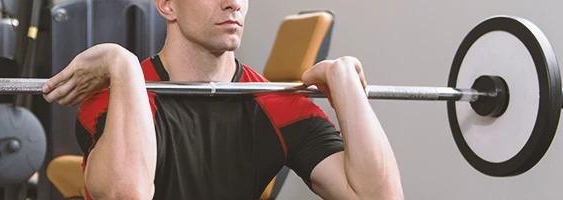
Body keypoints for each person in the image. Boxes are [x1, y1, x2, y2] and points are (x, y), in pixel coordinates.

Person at [41, 0, 403, 199]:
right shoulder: (114, 98)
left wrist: (347, 86)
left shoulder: (276, 107)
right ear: (167, 5)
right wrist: (121, 63)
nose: (233, 4)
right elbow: (127, 192)